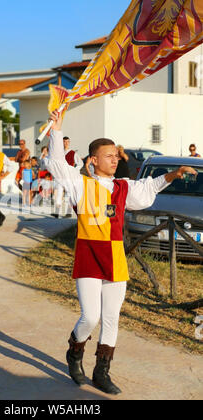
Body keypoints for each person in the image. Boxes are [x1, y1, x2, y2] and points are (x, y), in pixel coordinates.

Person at [45, 110, 197, 395]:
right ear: (94, 160)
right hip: (89, 256)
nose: (115, 160)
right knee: (90, 317)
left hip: (115, 258)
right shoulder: (80, 185)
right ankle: (74, 350)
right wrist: (57, 129)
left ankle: (102, 371)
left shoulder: (123, 187)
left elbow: (148, 186)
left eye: (116, 155)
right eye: (109, 156)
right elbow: (55, 163)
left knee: (112, 318)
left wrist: (173, 175)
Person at [53, 136, 83, 219]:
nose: (65, 143)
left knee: (68, 194)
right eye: (64, 142)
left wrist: (74, 170)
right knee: (59, 193)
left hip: (69, 176)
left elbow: (80, 164)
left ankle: (69, 212)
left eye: (67, 142)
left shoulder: (73, 153)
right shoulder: (59, 153)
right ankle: (57, 212)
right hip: (60, 176)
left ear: (69, 142)